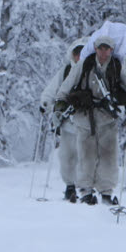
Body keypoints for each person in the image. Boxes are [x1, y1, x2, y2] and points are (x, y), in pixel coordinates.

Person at [55, 34, 126, 206]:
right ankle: (85, 191)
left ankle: (106, 192)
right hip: (84, 116)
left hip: (107, 117)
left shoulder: (117, 66)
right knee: (86, 155)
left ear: (112, 50)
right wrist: (60, 102)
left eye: (107, 49)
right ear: (95, 48)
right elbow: (67, 84)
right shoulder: (84, 65)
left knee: (108, 156)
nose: (104, 52)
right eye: (101, 48)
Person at [40, 37, 87, 202]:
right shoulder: (66, 71)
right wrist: (45, 102)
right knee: (67, 156)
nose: (79, 57)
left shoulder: (91, 71)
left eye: (82, 53)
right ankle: (70, 187)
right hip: (67, 123)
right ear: (72, 55)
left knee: (86, 157)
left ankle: (87, 188)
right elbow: (53, 88)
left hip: (87, 123)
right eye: (76, 53)